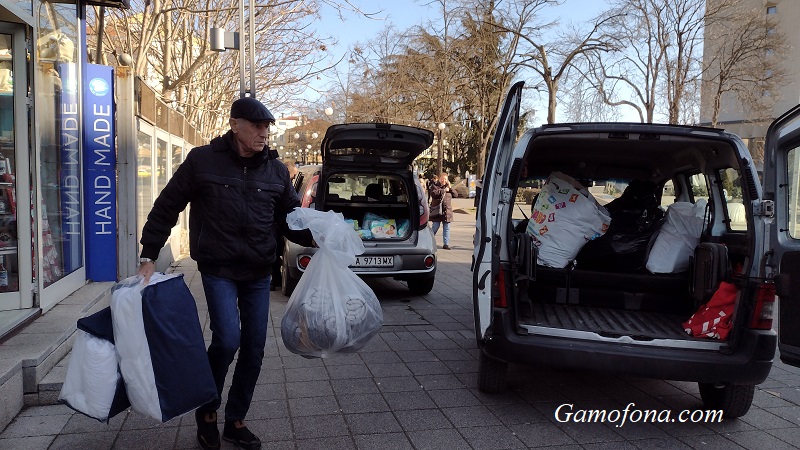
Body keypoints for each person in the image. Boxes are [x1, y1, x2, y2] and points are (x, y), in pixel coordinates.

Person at [137, 97, 313, 450]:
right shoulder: (203, 161)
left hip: (259, 270)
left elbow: (292, 220)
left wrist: (323, 235)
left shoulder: (277, 171)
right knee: (227, 340)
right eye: (257, 126)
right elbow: (167, 205)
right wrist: (149, 254)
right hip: (218, 267)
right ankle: (208, 412)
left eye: (267, 127)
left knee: (255, 347)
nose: (264, 133)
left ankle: (235, 420)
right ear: (235, 125)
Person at [428, 171, 456, 249]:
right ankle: (429, 241)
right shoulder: (435, 186)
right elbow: (434, 194)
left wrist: (450, 188)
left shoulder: (448, 187)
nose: (444, 181)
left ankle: (446, 244)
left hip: (447, 211)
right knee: (435, 227)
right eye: (442, 179)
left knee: (447, 228)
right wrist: (444, 190)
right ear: (439, 179)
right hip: (437, 211)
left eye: (445, 179)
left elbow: (455, 194)